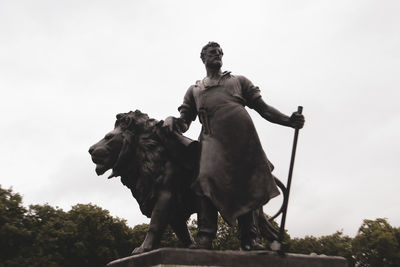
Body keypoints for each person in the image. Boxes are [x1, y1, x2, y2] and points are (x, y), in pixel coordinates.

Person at [164, 42, 305, 250]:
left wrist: (288, 120)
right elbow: (185, 121)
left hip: (243, 142)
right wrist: (172, 120)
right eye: (213, 52)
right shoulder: (195, 90)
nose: (218, 55)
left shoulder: (238, 81)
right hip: (212, 141)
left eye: (220, 52)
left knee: (245, 186)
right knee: (205, 180)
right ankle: (205, 238)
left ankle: (249, 239)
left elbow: (263, 109)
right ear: (203, 58)